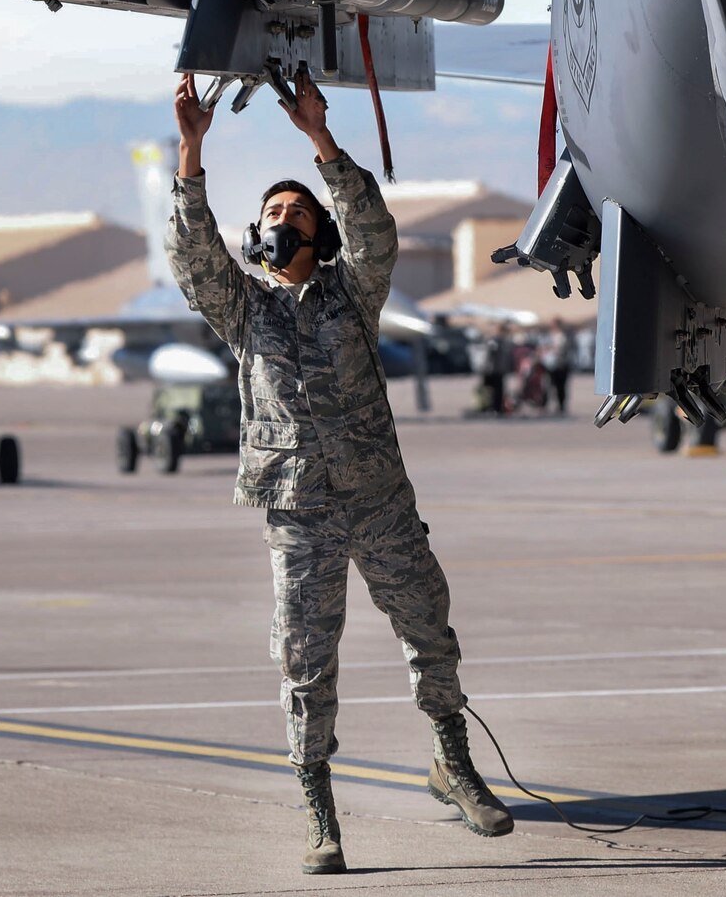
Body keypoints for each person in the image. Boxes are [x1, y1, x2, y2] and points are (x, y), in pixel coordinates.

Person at [165, 72, 513, 875]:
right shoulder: (244, 310)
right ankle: (321, 813)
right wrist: (191, 147)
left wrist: (320, 140)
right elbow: (192, 255)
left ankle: (452, 762)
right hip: (299, 512)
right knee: (305, 660)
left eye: (297, 213)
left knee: (429, 626)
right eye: (273, 214)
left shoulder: (351, 295)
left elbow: (375, 232)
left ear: (320, 233)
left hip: (378, 500)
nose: (282, 221)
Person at [540, 319, 574, 415]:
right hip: (550, 365)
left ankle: (561, 406)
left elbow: (561, 349)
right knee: (548, 386)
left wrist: (551, 348)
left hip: (561, 365)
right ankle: (544, 405)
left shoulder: (563, 336)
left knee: (560, 387)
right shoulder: (549, 335)